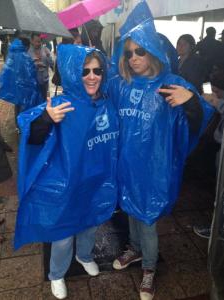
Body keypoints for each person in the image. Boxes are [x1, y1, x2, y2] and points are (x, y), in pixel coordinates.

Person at [109, 19, 213, 300]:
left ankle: (150, 268)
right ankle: (134, 248)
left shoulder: (170, 85)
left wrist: (191, 100)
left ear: (153, 52)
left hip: (153, 169)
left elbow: (201, 122)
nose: (133, 58)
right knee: (130, 209)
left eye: (140, 51)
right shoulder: (121, 85)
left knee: (148, 219)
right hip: (126, 165)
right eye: (128, 52)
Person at [14, 45, 118, 299]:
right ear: (73, 73)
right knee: (62, 234)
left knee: (90, 224)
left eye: (97, 70)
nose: (92, 76)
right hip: (66, 182)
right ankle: (57, 274)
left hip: (94, 181)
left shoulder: (107, 104)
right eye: (85, 71)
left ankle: (84, 256)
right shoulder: (61, 104)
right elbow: (31, 134)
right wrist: (46, 118)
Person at [193, 68, 224, 239]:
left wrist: (217, 103)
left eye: (218, 91)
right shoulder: (212, 89)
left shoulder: (219, 102)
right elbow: (205, 89)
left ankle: (219, 229)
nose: (215, 93)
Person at [28, 33, 54, 99]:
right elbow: (26, 66)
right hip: (33, 80)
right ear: (31, 41)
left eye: (39, 41)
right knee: (35, 100)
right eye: (36, 41)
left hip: (45, 80)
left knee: (46, 98)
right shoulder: (28, 51)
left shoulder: (45, 49)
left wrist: (48, 56)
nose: (38, 43)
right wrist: (35, 64)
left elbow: (52, 64)